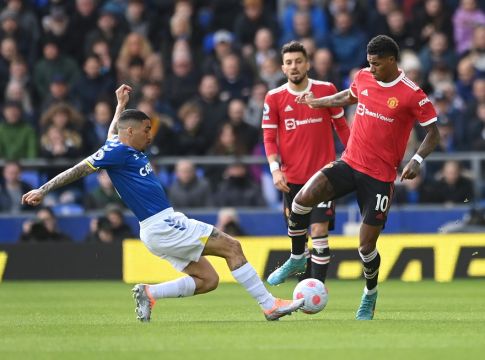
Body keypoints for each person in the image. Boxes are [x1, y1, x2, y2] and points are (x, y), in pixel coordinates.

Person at [22, 84, 303, 322]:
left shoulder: (120, 146)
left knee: (208, 280)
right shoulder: (117, 151)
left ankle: (149, 293)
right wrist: (43, 189)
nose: (150, 134)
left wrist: (120, 104)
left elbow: (112, 133)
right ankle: (269, 305)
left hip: (156, 228)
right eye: (145, 129)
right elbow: (79, 169)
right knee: (233, 246)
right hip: (163, 224)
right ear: (130, 132)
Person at [292, 35, 440, 320]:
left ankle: (370, 293)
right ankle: (297, 257)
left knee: (365, 246)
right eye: (368, 63)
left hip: (380, 178)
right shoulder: (363, 76)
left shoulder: (412, 93)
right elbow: (350, 95)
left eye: (375, 64)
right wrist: (317, 102)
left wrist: (417, 160)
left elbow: (433, 132)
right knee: (303, 198)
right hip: (350, 163)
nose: (370, 69)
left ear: (391, 61)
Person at [262, 41, 350, 286]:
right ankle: (297, 259)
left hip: (324, 177)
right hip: (292, 181)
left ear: (308, 64)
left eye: (299, 61)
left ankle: (316, 289)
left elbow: (341, 127)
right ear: (282, 68)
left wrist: (355, 155)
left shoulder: (326, 90)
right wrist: (275, 169)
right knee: (298, 236)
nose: (294, 66)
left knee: (319, 231)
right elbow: (268, 137)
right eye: (289, 62)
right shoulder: (274, 97)